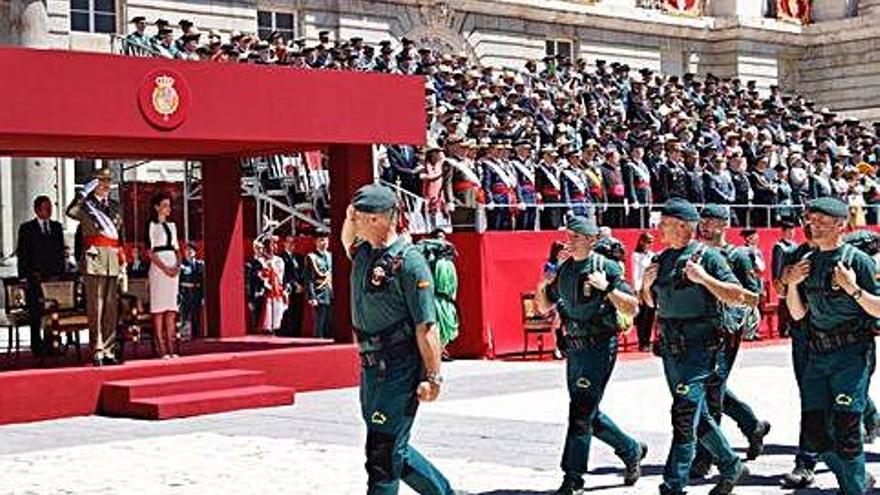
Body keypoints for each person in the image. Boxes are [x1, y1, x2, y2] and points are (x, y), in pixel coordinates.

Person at [340, 183, 455, 495]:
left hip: (398, 367)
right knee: (391, 447)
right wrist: (351, 216)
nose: (352, 219)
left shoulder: (409, 261)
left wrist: (433, 377)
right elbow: (346, 238)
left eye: (359, 215)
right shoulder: (365, 252)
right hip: (370, 367)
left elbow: (426, 327)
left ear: (379, 218)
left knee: (381, 454)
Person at [641, 198, 750, 495]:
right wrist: (645, 286)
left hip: (701, 348)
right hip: (672, 348)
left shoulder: (708, 257)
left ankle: (673, 483)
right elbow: (653, 305)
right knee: (696, 415)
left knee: (684, 413)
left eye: (664, 223)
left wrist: (704, 279)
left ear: (682, 226)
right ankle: (730, 464)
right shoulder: (661, 260)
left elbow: (737, 295)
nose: (659, 228)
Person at [535, 215, 647, 494]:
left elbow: (633, 307)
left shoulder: (605, 267)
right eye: (567, 237)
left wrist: (607, 288)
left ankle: (573, 477)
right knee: (587, 412)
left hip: (598, 345)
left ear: (590, 240)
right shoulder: (564, 270)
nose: (568, 242)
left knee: (581, 411)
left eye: (574, 237)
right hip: (574, 347)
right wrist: (543, 284)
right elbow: (543, 307)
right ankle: (630, 449)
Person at [785, 197, 878, 494]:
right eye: (812, 221)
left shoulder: (857, 261)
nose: (815, 226)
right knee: (814, 433)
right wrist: (793, 285)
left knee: (848, 432)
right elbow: (798, 314)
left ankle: (854, 489)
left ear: (841, 225)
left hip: (852, 354)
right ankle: (858, 480)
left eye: (824, 221)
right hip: (818, 354)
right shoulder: (807, 262)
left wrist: (852, 287)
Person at [690, 204, 771, 478]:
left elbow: (752, 295)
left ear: (724, 224)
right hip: (697, 329)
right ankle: (752, 425)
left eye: (712, 221)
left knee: (710, 392)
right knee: (713, 388)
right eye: (703, 221)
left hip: (725, 332)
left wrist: (719, 290)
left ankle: (706, 456)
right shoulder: (696, 254)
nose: (705, 226)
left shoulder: (739, 255)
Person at [66, 168, 125, 367]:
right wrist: (83, 194)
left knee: (110, 308)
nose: (106, 185)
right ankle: (97, 349)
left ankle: (109, 349)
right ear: (94, 184)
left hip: (112, 259)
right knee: (96, 307)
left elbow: (119, 236)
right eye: (101, 181)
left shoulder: (116, 207)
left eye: (108, 181)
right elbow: (70, 212)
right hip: (94, 259)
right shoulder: (86, 207)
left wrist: (122, 258)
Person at [16, 195, 64, 357]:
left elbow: (59, 253)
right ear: (37, 210)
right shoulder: (27, 229)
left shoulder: (56, 227)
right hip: (34, 278)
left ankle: (53, 343)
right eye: (45, 207)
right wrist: (24, 277)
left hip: (53, 278)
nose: (49, 211)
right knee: (36, 313)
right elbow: (22, 255)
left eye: (50, 207)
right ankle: (37, 346)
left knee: (54, 311)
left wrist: (61, 274)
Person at [147, 192, 181, 359]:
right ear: (157, 207)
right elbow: (150, 252)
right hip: (159, 267)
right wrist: (164, 268)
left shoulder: (173, 226)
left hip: (172, 266)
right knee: (159, 308)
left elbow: (177, 248)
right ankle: (160, 348)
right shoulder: (151, 226)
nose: (168, 209)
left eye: (169, 205)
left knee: (171, 309)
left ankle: (172, 347)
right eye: (165, 205)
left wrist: (177, 266)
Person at [771, 220, 798, 337]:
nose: (791, 233)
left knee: (793, 301)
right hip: (783, 278)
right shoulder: (779, 246)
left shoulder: (795, 245)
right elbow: (777, 264)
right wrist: (777, 281)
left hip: (794, 278)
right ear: (783, 232)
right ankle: (783, 328)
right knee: (784, 304)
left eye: (792, 231)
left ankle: (792, 327)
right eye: (788, 231)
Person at [305, 230, 333, 339]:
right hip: (319, 293)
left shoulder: (331, 256)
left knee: (329, 323)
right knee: (320, 322)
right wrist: (312, 296)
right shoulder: (312, 257)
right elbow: (309, 279)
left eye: (326, 240)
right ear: (316, 242)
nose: (325, 242)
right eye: (321, 240)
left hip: (330, 293)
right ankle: (318, 343)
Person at [631, 232, 656, 352]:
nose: (650, 244)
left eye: (652, 242)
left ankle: (647, 340)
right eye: (648, 241)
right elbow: (636, 273)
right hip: (641, 288)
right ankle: (642, 342)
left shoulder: (652, 255)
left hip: (651, 287)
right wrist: (637, 290)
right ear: (642, 242)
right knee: (642, 316)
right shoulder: (636, 256)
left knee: (650, 314)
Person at [258, 235, 287, 335]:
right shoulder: (260, 260)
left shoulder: (279, 260)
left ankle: (276, 329)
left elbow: (281, 276)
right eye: (272, 244)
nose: (274, 246)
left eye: (275, 244)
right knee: (267, 313)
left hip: (277, 289)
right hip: (265, 291)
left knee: (277, 312)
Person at [279, 235, 304, 337]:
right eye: (288, 242)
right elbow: (283, 274)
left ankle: (296, 332)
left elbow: (303, 273)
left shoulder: (299, 257)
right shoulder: (281, 257)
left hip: (300, 289)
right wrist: (294, 284)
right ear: (284, 243)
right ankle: (285, 332)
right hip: (288, 288)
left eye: (293, 243)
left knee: (298, 311)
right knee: (287, 312)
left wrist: (302, 285)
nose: (291, 245)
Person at [178, 241, 204, 339]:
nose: (188, 252)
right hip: (185, 293)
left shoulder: (200, 264)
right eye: (187, 250)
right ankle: (184, 335)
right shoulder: (182, 265)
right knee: (184, 316)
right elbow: (178, 282)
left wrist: (203, 296)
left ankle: (195, 336)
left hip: (196, 292)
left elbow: (203, 282)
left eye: (191, 250)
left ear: (195, 252)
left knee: (196, 316)